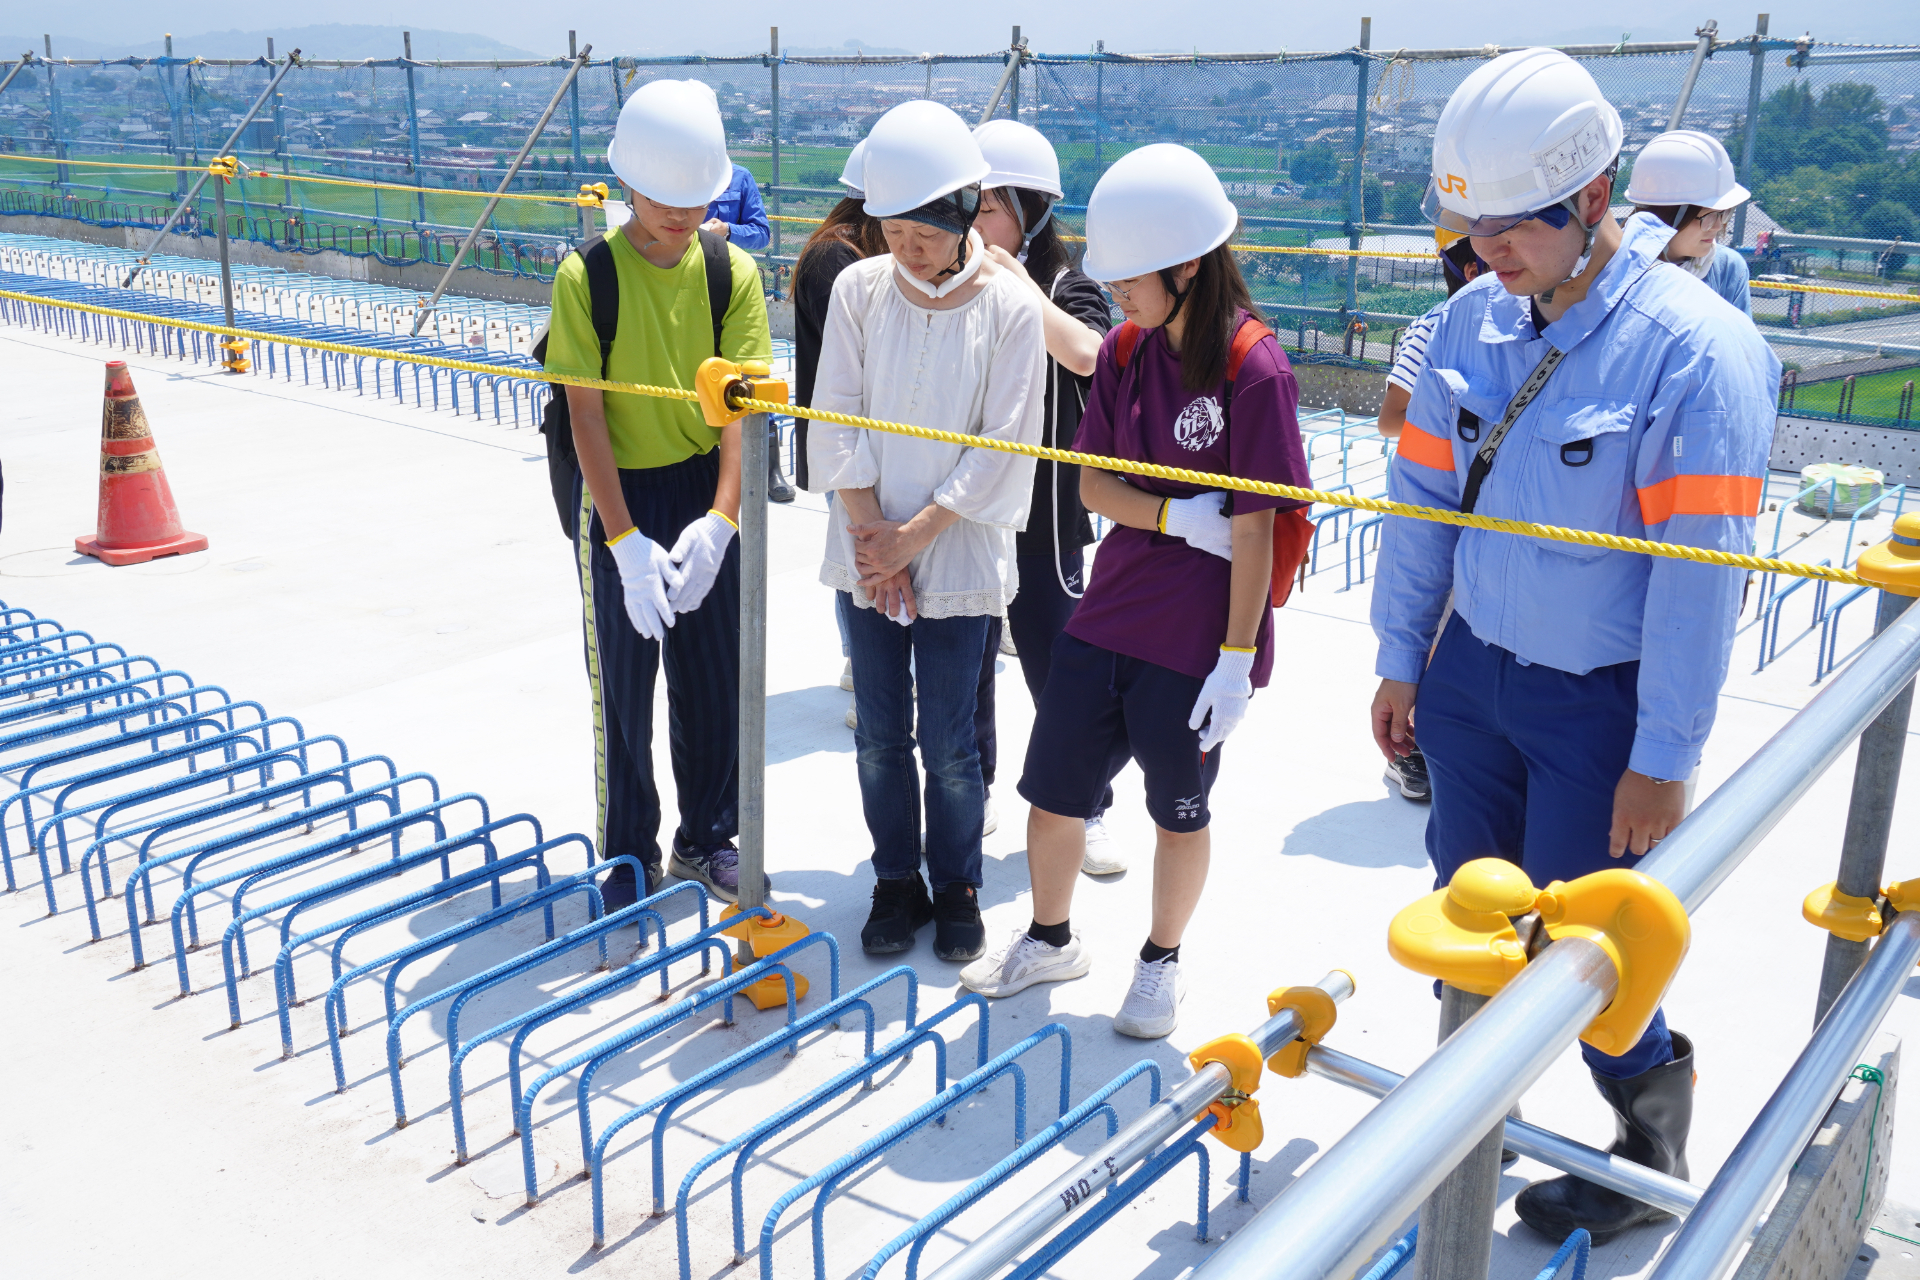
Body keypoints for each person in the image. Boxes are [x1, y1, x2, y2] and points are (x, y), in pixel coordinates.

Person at [1370, 48, 1779, 1241]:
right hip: (1470, 680)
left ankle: (1647, 1123)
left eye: (1516, 227)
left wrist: (1664, 753)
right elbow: (1423, 505)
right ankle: (1467, 1111)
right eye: (1472, 223)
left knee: (1584, 952)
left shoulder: (1696, 352)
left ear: (1594, 199)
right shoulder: (1468, 321)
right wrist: (1404, 661)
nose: (1489, 249)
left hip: (1598, 704)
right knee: (1465, 906)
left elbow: (1697, 586)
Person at [960, 143, 1310, 1040]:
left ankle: (1161, 963)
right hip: (1112, 608)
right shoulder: (1124, 349)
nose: (1119, 298)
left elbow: (1257, 525)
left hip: (1198, 634)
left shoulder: (1252, 368)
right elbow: (1094, 486)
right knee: (1054, 791)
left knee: (1178, 807)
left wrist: (1236, 662)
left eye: (1132, 282)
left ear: (1190, 266)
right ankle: (1049, 936)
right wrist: (1170, 519)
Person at [805, 100, 1046, 962]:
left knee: (949, 741)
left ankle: (958, 883)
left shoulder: (1009, 307)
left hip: (956, 551)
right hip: (866, 550)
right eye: (894, 229)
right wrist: (874, 539)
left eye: (925, 231)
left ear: (963, 212)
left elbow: (1005, 443)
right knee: (877, 734)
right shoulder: (859, 290)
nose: (907, 247)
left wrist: (916, 538)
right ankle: (894, 879)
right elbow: (832, 417)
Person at [547, 79, 772, 908]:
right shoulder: (587, 275)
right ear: (627, 183)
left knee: (713, 677)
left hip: (700, 484)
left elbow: (743, 413)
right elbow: (585, 416)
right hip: (617, 491)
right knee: (623, 684)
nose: (680, 215)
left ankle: (706, 837)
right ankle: (626, 853)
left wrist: (722, 519)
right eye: (662, 198)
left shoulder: (730, 271)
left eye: (696, 198)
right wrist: (621, 539)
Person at [968, 119, 1122, 873]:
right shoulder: (957, 281)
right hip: (966, 506)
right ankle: (978, 786)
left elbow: (1091, 356)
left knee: (1060, 668)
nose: (973, 223)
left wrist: (1021, 287)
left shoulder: (1066, 284)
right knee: (965, 665)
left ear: (1029, 212)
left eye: (989, 207)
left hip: (1044, 519)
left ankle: (1087, 803)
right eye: (967, 204)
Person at [1371, 228, 1485, 805]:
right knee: (1429, 638)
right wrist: (1450, 415)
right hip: (1439, 510)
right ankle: (1410, 755)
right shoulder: (1435, 329)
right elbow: (1391, 418)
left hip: (1489, 523)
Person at [791, 141, 886, 729]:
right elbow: (856, 354)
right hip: (843, 433)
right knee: (854, 548)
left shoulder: (854, 250)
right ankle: (862, 666)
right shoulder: (836, 256)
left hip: (859, 431)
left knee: (857, 543)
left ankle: (864, 664)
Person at [1626, 129, 1753, 314]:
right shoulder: (1613, 267)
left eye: (1723, 213)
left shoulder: (1727, 269)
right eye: (1708, 217)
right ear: (1665, 215)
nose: (1718, 227)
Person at [704, 161, 772, 252]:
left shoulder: (740, 177)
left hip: (726, 261)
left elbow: (762, 235)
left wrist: (727, 231)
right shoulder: (680, 177)